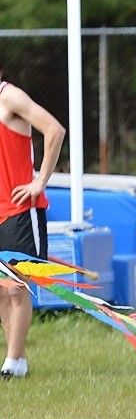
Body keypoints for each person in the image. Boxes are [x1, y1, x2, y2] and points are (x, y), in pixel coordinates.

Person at [0, 71, 66, 379]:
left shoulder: (10, 97)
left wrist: (40, 181)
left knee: (16, 289)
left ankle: (12, 363)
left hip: (20, 209)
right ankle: (18, 360)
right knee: (1, 291)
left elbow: (55, 130)